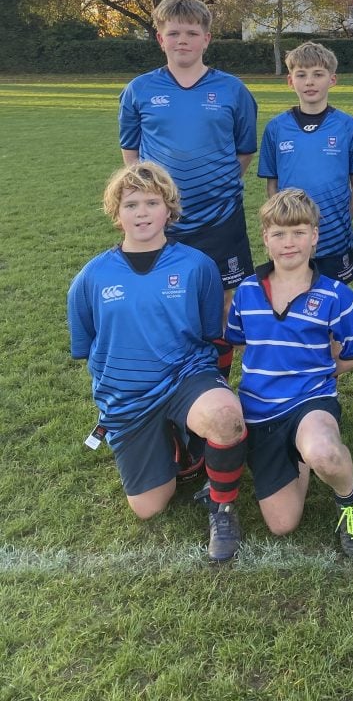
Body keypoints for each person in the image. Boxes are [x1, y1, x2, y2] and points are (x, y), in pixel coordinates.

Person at [66, 162, 247, 561]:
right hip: (128, 396)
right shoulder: (91, 278)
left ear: (169, 210)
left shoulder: (197, 266)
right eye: (131, 204)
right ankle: (178, 444)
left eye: (152, 202)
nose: (142, 213)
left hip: (186, 378)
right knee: (149, 507)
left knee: (225, 418)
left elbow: (209, 334)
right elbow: (88, 346)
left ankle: (222, 509)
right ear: (117, 213)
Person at [225, 189, 353, 559]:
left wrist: (327, 371)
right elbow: (240, 341)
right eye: (279, 234)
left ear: (314, 236)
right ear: (265, 238)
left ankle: (350, 504)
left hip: (311, 401)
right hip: (260, 412)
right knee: (282, 524)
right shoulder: (246, 291)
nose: (289, 243)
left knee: (324, 452)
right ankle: (298, 455)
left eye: (298, 232)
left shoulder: (336, 295)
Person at [118, 0, 258, 379]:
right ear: (160, 38)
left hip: (221, 218)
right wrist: (150, 200)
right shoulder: (139, 90)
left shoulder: (232, 90)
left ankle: (217, 384)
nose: (183, 40)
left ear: (206, 39)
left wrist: (218, 186)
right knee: (167, 302)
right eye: (174, 33)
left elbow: (244, 151)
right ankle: (174, 386)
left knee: (224, 304)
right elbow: (131, 153)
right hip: (163, 222)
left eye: (192, 33)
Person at [258, 42, 353, 283]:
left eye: (318, 74)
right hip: (293, 236)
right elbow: (272, 185)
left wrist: (344, 219)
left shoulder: (349, 127)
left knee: (335, 296)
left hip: (335, 237)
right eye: (301, 75)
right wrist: (285, 221)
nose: (309, 82)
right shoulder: (276, 128)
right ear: (290, 81)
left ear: (332, 80)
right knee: (293, 293)